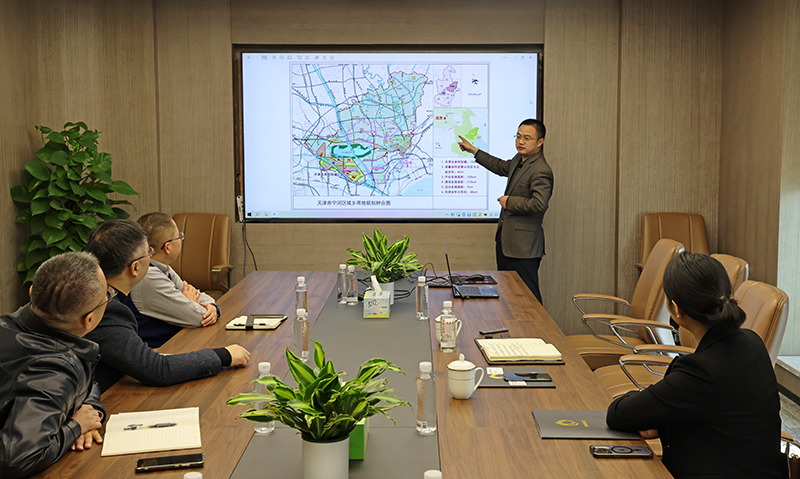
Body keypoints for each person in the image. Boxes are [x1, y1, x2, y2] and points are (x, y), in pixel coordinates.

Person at [606, 253, 787, 479]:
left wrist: (654, 414)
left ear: (676, 309)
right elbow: (721, 415)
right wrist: (662, 424)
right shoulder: (752, 343)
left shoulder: (700, 371)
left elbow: (618, 414)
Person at [83, 220, 250, 392]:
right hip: (107, 398)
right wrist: (223, 356)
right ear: (135, 267)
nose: (152, 257)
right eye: (148, 253)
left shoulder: (100, 296)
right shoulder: (106, 310)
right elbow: (157, 369)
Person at [0, 252, 107, 478]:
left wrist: (89, 409)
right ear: (88, 320)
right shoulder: (54, 369)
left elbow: (84, 384)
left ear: (32, 292)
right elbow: (18, 459)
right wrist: (76, 426)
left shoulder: (8, 324)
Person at [457, 119, 553, 303]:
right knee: (509, 294)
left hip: (524, 248)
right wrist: (474, 151)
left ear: (540, 142)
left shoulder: (541, 170)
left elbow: (539, 204)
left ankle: (537, 324)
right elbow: (500, 166)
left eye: (527, 138)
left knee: (528, 296)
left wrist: (510, 202)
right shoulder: (519, 160)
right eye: (518, 136)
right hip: (507, 243)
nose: (520, 142)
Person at [128, 212, 219, 347]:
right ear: (168, 247)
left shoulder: (161, 267)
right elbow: (197, 318)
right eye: (179, 237)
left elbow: (197, 295)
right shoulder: (147, 276)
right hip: (161, 350)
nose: (181, 240)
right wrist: (190, 303)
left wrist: (212, 306)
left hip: (176, 341)